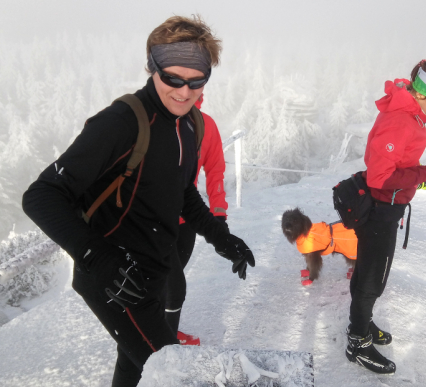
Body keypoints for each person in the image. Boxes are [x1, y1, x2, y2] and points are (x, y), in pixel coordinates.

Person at [22, 15, 254, 387]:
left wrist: (220, 235)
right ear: (152, 67)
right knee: (172, 371)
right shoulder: (121, 123)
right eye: (172, 79)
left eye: (196, 82)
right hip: (115, 278)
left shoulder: (190, 124)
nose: (183, 92)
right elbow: (41, 196)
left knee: (135, 363)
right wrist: (99, 257)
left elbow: (181, 191)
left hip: (156, 265)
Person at [346, 59, 426, 374]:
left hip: (387, 205)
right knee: (372, 280)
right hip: (381, 209)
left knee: (368, 272)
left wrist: (420, 177)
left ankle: (362, 324)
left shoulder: (411, 113)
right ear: (423, 94)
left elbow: (396, 164)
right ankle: (358, 343)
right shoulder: (403, 121)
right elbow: (379, 178)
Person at [165, 93, 228, 345]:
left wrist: (219, 215)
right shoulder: (159, 120)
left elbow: (215, 171)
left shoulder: (205, 125)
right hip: (154, 223)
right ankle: (162, 341)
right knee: (172, 285)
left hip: (186, 221)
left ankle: (166, 333)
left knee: (173, 280)